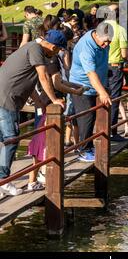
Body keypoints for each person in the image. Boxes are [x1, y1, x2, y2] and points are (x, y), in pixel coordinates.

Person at [0, 34, 65, 197]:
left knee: (5, 139)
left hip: (6, 98)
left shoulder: (31, 48)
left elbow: (30, 81)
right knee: (11, 139)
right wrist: (54, 99)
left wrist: (40, 103)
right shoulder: (36, 49)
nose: (56, 54)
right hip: (7, 99)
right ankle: (4, 181)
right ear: (53, 47)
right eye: (57, 50)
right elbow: (43, 77)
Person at [27, 30, 85, 191]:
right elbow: (57, 84)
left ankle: (37, 177)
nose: (62, 50)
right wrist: (76, 91)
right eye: (61, 48)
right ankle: (43, 174)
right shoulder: (51, 61)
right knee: (44, 140)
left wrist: (75, 87)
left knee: (44, 139)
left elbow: (61, 81)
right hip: (48, 105)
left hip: (49, 103)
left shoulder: (51, 57)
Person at [69, 23, 112, 162]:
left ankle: (90, 145)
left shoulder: (102, 41)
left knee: (95, 116)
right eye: (104, 41)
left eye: (109, 41)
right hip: (82, 86)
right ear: (96, 35)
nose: (106, 44)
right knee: (86, 118)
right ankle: (84, 150)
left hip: (97, 84)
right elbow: (91, 74)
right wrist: (103, 92)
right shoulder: (86, 48)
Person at [106, 6, 128, 142]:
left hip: (102, 67)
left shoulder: (100, 28)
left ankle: (101, 128)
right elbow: (124, 53)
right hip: (115, 67)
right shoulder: (120, 30)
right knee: (114, 99)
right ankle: (112, 131)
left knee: (101, 96)